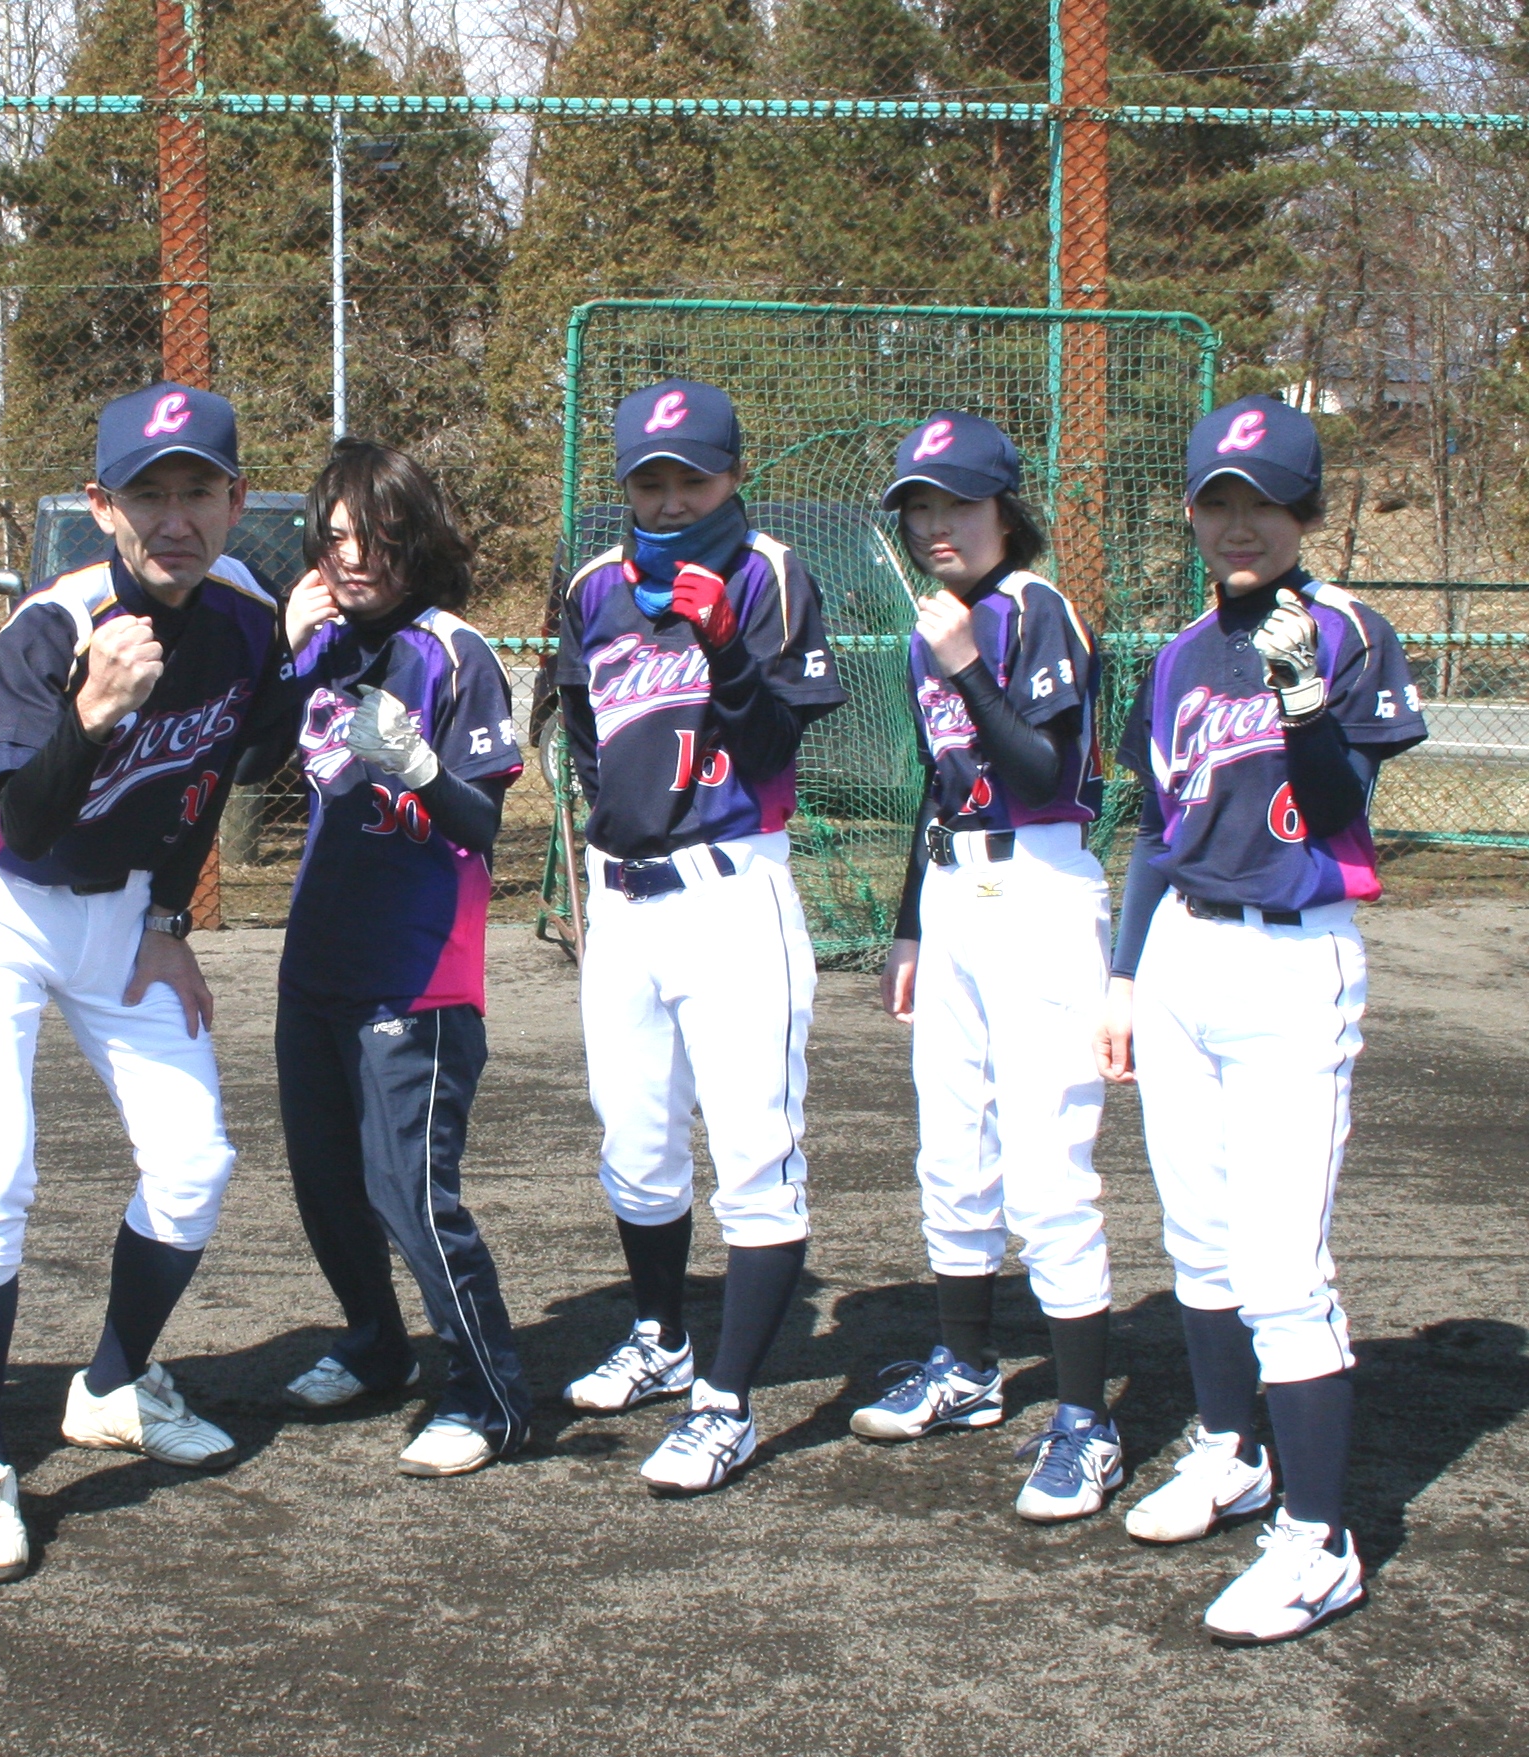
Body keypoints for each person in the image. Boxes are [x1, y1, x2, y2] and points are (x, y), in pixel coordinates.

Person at [0, 382, 288, 1581]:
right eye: (146, 494)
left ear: (235, 499)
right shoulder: (53, 624)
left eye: (196, 491)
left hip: (124, 910)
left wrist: (171, 915)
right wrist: (91, 708)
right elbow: (22, 823)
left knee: (194, 1162)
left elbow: (228, 767)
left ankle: (115, 1383)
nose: (172, 519)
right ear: (100, 506)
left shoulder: (244, 614)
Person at [1098, 395, 1427, 1643]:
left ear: (1305, 511)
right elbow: (1157, 826)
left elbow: (1346, 800)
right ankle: (1233, 1450)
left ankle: (1320, 1541)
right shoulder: (1181, 653)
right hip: (1183, 952)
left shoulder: (1346, 632)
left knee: (1285, 1266)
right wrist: (1125, 976)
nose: (1239, 524)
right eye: (1217, 502)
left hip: (1295, 964)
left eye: (1264, 502)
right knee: (1199, 1240)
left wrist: (1300, 702)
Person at [552, 379, 847, 1494]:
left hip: (732, 892)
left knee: (754, 1157)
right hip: (625, 900)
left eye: (693, 474)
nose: (670, 497)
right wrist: (599, 828)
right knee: (634, 1149)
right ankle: (662, 1341)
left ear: (733, 473)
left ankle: (726, 1403)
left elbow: (775, 748)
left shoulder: (769, 572)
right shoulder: (594, 585)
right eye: (650, 477)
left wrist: (726, 648)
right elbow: (581, 726)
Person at [850, 412, 1120, 1522]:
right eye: (919, 506)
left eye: (956, 503)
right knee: (950, 1142)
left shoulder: (1032, 609)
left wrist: (965, 663)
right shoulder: (939, 625)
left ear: (1007, 508)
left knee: (1048, 1159)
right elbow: (941, 780)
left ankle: (1085, 1419)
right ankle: (964, 1370)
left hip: (1044, 888)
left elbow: (1042, 763)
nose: (934, 524)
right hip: (959, 891)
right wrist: (912, 922)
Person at [268, 439, 532, 1476]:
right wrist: (282, 654)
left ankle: (491, 1394)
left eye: (375, 533)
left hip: (416, 971)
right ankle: (378, 1346)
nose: (354, 556)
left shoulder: (452, 652)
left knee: (411, 1192)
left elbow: (480, 824)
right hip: (316, 960)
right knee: (328, 1186)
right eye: (333, 537)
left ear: (413, 535)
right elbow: (244, 759)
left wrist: (419, 765)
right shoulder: (322, 644)